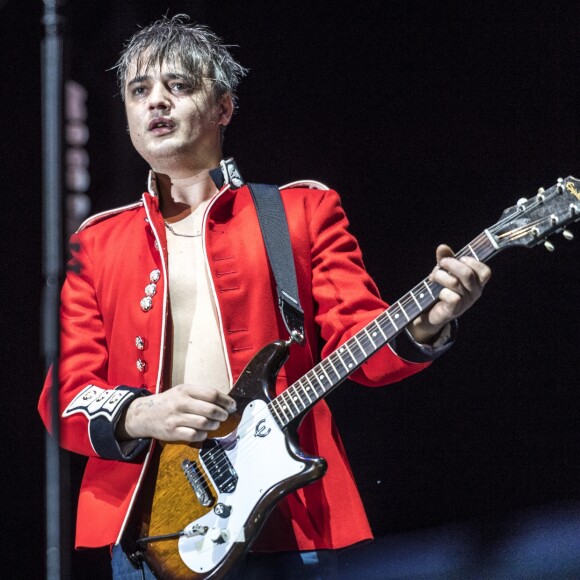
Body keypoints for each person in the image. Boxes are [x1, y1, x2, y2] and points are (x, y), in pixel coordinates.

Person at [38, 14, 491, 579]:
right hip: (152, 520)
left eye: (177, 85)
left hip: (289, 513)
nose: (155, 102)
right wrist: (141, 411)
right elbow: (66, 395)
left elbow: (361, 340)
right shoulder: (96, 241)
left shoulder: (299, 211)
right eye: (139, 90)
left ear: (223, 108)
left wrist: (429, 323)